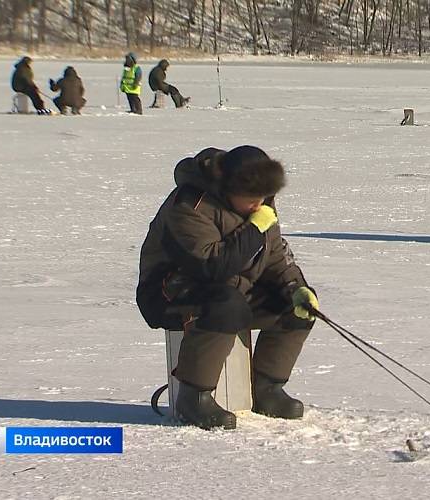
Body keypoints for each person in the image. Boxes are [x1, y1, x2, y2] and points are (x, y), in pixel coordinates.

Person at [136, 145, 318, 430]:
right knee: (226, 305)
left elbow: (276, 258)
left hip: (232, 287)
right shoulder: (190, 204)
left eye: (263, 198)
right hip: (170, 290)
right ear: (226, 188)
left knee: (296, 305)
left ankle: (267, 388)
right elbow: (212, 266)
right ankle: (193, 396)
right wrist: (254, 229)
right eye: (250, 199)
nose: (258, 205)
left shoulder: (259, 204)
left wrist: (296, 287)